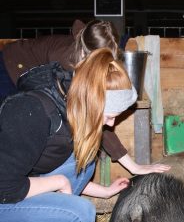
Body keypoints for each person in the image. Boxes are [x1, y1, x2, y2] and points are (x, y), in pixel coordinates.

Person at [0, 48, 150, 222]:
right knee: (80, 216)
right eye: (110, 115)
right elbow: (5, 188)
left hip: (15, 186)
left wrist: (105, 191)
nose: (111, 124)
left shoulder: (69, 105)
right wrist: (58, 182)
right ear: (91, 100)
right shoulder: (30, 112)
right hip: (4, 192)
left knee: (84, 159)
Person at [0, 19, 169, 177]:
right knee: (18, 132)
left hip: (37, 74)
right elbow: (95, 113)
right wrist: (133, 166)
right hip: (11, 68)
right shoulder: (67, 63)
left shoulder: (86, 55)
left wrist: (134, 166)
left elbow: (100, 113)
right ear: (83, 53)